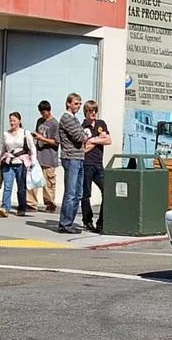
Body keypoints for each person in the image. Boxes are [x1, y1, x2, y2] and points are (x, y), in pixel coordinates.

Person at [0, 112, 37, 218]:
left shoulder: (25, 133)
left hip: (21, 162)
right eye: (10, 120)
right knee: (7, 186)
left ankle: (22, 207)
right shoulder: (6, 134)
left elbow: (32, 147)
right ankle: (5, 207)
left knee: (21, 187)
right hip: (8, 162)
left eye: (14, 120)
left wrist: (33, 160)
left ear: (19, 121)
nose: (12, 122)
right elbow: (2, 148)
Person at [57, 93, 87, 234]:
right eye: (76, 103)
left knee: (78, 193)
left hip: (79, 158)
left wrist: (85, 135)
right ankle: (65, 223)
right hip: (71, 158)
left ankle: (70, 221)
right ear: (68, 103)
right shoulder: (66, 118)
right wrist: (86, 136)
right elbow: (79, 136)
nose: (78, 106)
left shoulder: (75, 119)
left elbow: (82, 134)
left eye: (80, 104)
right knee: (70, 192)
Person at [81, 100, 112, 232]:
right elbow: (84, 148)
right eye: (90, 111)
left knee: (107, 191)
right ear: (86, 112)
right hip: (86, 163)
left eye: (94, 110)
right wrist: (99, 139)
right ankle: (87, 221)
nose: (92, 113)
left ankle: (101, 221)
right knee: (85, 194)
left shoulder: (101, 124)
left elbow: (109, 140)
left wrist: (93, 139)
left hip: (99, 164)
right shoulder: (82, 127)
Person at [29, 100, 59, 213]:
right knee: (33, 179)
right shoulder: (39, 121)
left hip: (49, 157)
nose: (42, 115)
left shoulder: (55, 124)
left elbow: (56, 142)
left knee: (48, 182)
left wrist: (43, 139)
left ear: (49, 110)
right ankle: (31, 204)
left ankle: (50, 204)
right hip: (38, 156)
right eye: (41, 113)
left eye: (44, 112)